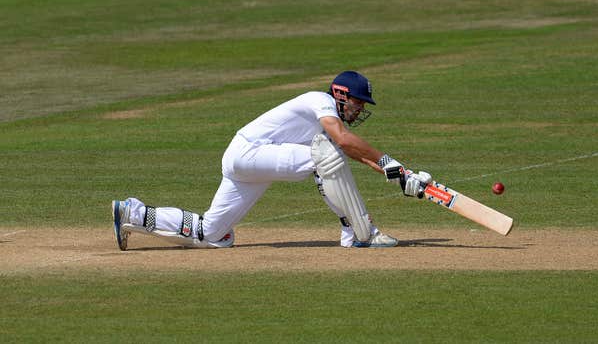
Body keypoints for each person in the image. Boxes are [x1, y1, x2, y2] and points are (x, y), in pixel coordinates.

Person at [112, 71, 432, 250]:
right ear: (341, 94)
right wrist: (393, 164)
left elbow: (356, 153)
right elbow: (346, 144)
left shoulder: (328, 123)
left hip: (246, 159)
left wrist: (402, 176)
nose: (360, 111)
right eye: (359, 104)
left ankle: (135, 213)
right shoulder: (320, 102)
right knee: (327, 155)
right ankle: (359, 232)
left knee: (213, 235)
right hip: (251, 153)